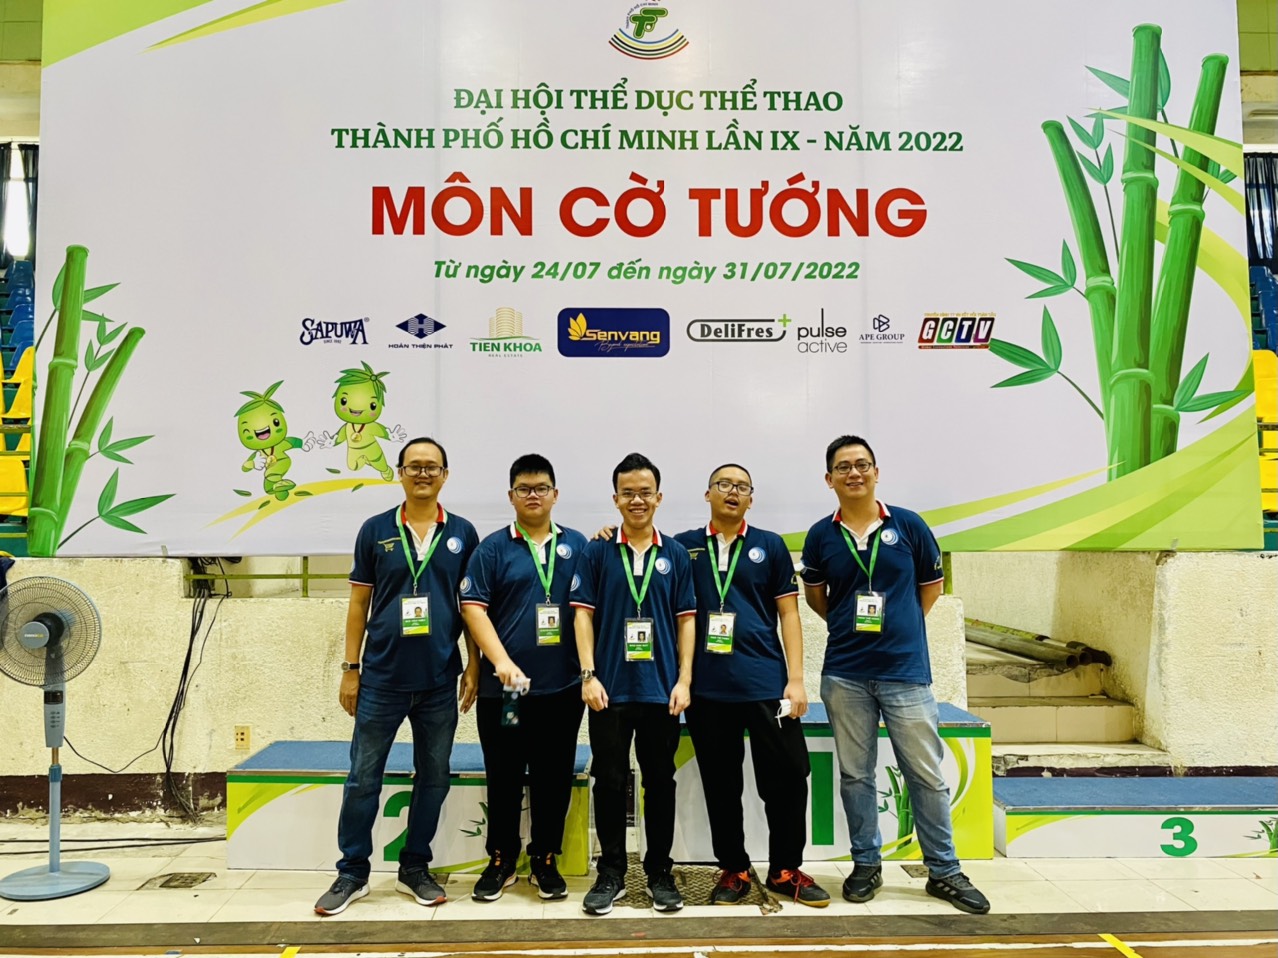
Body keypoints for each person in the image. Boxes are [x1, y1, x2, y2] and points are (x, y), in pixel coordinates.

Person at [800, 435, 990, 914]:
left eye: (862, 464)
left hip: (906, 672)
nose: (854, 473)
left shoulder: (908, 525)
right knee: (855, 776)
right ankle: (866, 864)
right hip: (845, 673)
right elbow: (817, 598)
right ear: (829, 479)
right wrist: (849, 627)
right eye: (844, 467)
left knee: (925, 774)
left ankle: (944, 871)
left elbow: (931, 587)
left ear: (876, 472)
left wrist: (900, 628)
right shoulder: (821, 535)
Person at [314, 437, 480, 916]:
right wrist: (351, 669)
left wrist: (474, 664)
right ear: (400, 472)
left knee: (435, 777)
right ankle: (352, 873)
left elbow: (471, 607)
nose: (423, 473)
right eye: (414, 466)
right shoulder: (375, 530)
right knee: (363, 778)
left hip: (438, 681)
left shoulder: (463, 533)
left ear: (445, 474)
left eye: (432, 467)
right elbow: (358, 604)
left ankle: (415, 868)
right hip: (381, 681)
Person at [673, 464, 830, 907]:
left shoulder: (770, 545)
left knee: (788, 779)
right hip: (708, 690)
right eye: (724, 484)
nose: (733, 492)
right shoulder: (683, 547)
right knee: (721, 785)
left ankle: (785, 869)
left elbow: (789, 614)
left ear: (751, 498)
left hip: (767, 686)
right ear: (708, 494)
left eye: (742, 487)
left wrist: (796, 680)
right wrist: (606, 534)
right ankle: (734, 869)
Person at [571, 452, 696, 915]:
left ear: (659, 498)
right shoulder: (597, 550)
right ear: (616, 498)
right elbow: (582, 616)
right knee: (609, 780)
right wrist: (588, 675)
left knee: (660, 782)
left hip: (662, 692)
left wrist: (684, 680)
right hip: (609, 691)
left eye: (645, 493)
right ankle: (612, 873)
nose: (637, 500)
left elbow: (686, 621)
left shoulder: (675, 554)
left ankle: (659, 872)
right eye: (628, 493)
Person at [459, 454, 588, 903]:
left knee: (554, 776)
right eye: (524, 489)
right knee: (505, 774)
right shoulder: (492, 549)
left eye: (541, 488)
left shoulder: (579, 546)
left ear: (555, 494)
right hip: (508, 693)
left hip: (562, 690)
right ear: (511, 496)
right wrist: (499, 662)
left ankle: (545, 859)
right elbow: (473, 608)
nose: (533, 495)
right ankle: (501, 859)